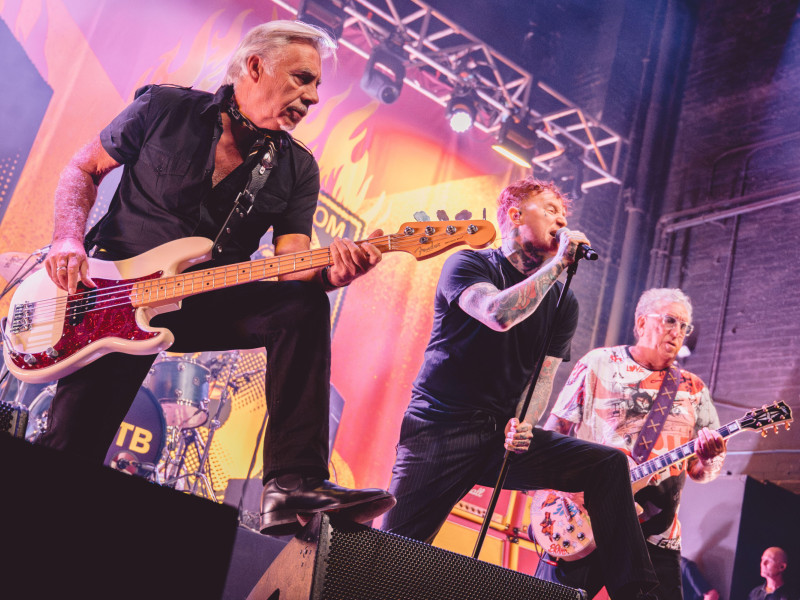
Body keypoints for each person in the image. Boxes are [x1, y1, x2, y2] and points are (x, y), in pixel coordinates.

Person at [37, 20, 395, 536]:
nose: (313, 97)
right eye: (302, 79)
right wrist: (68, 238)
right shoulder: (165, 108)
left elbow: (293, 264)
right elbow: (83, 169)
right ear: (255, 67)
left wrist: (333, 275)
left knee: (303, 307)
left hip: (203, 297)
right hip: (114, 299)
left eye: (316, 86)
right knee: (68, 455)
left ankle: (292, 483)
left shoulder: (296, 168)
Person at [380, 177, 658, 600]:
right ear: (514, 215)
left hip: (500, 437)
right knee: (391, 554)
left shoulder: (564, 303)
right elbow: (497, 313)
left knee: (606, 466)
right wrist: (558, 265)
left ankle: (636, 593)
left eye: (564, 215)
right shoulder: (469, 264)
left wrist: (525, 425)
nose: (562, 220)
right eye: (550, 209)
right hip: (438, 428)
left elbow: (543, 376)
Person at [538, 288, 728, 600]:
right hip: (585, 520)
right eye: (670, 321)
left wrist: (710, 460)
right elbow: (555, 430)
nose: (678, 332)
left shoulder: (694, 389)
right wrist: (551, 495)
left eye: (685, 326)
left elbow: (703, 472)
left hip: (655, 537)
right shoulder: (599, 363)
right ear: (641, 323)